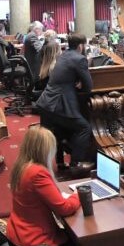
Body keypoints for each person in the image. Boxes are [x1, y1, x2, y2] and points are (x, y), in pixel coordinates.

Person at [5, 126, 98, 246]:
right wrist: (79, 193)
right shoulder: (37, 173)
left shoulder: (21, 166)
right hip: (35, 243)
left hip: (17, 234)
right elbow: (64, 208)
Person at [35, 33, 94, 171]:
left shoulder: (63, 55)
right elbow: (89, 86)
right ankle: (76, 164)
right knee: (84, 128)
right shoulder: (79, 59)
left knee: (60, 132)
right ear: (81, 46)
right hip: (59, 104)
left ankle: (59, 163)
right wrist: (80, 83)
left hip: (46, 103)